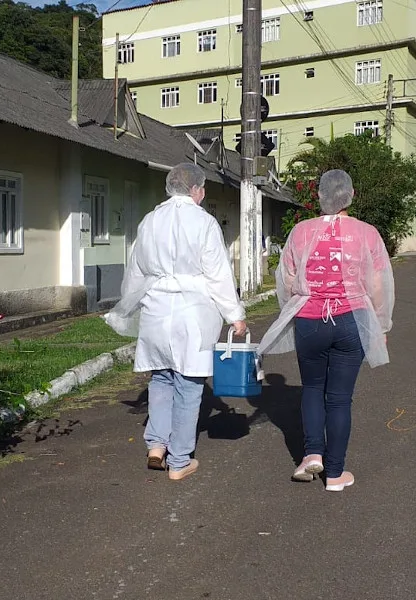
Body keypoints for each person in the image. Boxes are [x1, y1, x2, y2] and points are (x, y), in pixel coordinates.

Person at [104, 163, 247, 481]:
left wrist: (129, 304)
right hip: (192, 312)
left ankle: (156, 444)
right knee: (188, 384)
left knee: (161, 378)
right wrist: (235, 315)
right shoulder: (204, 222)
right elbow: (218, 274)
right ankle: (180, 460)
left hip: (157, 310)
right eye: (203, 188)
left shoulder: (150, 221)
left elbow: (136, 269)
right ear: (196, 190)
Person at [257, 170, 394, 492]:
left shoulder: (301, 231)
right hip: (352, 319)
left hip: (310, 319)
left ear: (319, 196)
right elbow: (378, 283)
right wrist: (381, 324)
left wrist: (294, 308)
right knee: (340, 399)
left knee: (312, 388)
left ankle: (311, 454)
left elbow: (286, 279)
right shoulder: (367, 233)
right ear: (351, 195)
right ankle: (335, 473)